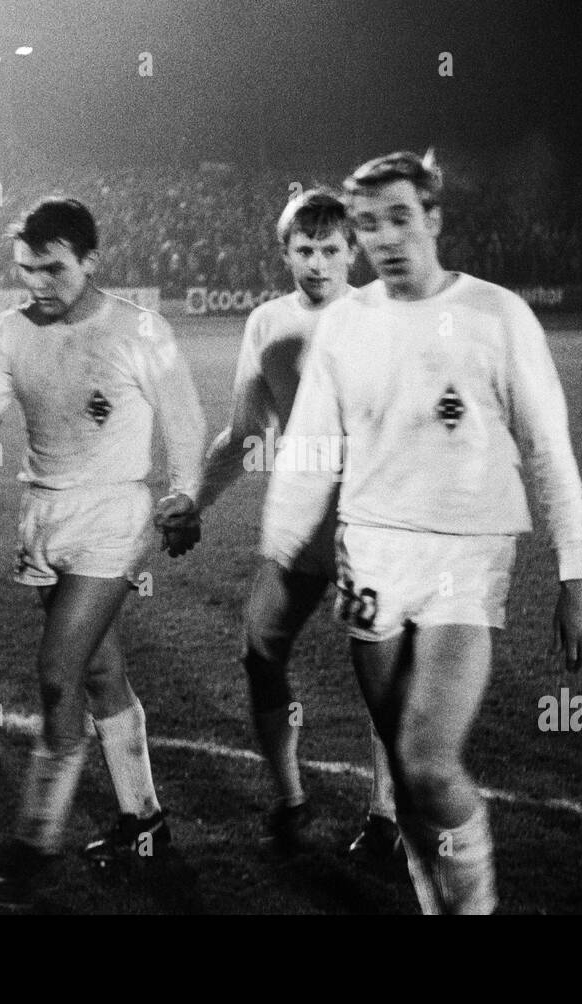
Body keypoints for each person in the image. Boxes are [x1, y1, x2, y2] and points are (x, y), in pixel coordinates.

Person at [262, 151, 582, 914]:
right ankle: (433, 901)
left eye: (400, 218)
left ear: (435, 219)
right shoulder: (346, 324)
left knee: (426, 760)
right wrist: (283, 549)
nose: (384, 238)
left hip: (465, 558)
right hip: (372, 552)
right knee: (408, 776)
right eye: (368, 224)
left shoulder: (497, 314)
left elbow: (548, 445)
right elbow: (313, 445)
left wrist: (576, 573)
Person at [0, 197, 206, 907]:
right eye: (27, 269)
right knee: (101, 671)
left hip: (114, 512)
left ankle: (34, 842)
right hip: (43, 515)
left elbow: (183, 417)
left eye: (53, 268)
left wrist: (184, 492)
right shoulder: (10, 331)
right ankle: (144, 821)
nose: (38, 283)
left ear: (90, 260)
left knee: (58, 673)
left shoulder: (138, 329)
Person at [195, 188, 398, 857]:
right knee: (259, 653)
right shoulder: (265, 323)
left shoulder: (385, 316)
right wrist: (194, 503)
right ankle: (290, 800)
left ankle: (387, 816)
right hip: (297, 525)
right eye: (303, 250)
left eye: (330, 249)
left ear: (353, 251)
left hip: (374, 528)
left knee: (382, 680)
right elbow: (244, 434)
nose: (316, 262)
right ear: (285, 252)